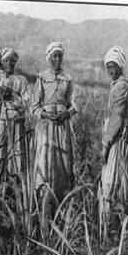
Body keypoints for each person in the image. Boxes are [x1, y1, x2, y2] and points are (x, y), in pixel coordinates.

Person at [32, 42, 77, 208]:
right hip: (46, 127)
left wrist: (66, 114)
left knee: (62, 161)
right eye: (54, 56)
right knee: (45, 159)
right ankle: (44, 199)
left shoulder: (67, 78)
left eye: (60, 56)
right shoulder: (42, 78)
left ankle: (61, 200)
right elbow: (34, 105)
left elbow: (74, 104)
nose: (57, 59)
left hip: (62, 126)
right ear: (49, 58)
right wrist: (44, 114)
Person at [0, 48, 30, 190]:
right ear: (1, 63)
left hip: (15, 123)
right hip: (0, 122)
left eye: (12, 61)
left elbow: (27, 103)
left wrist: (12, 96)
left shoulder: (21, 80)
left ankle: (13, 188)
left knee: (15, 155)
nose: (9, 63)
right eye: (6, 61)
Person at [100, 46, 128, 214]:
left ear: (120, 66)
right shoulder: (124, 85)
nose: (110, 70)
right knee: (124, 179)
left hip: (118, 141)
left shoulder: (121, 87)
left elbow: (116, 117)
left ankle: (110, 223)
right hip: (124, 139)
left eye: (113, 66)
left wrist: (106, 144)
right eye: (108, 66)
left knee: (112, 181)